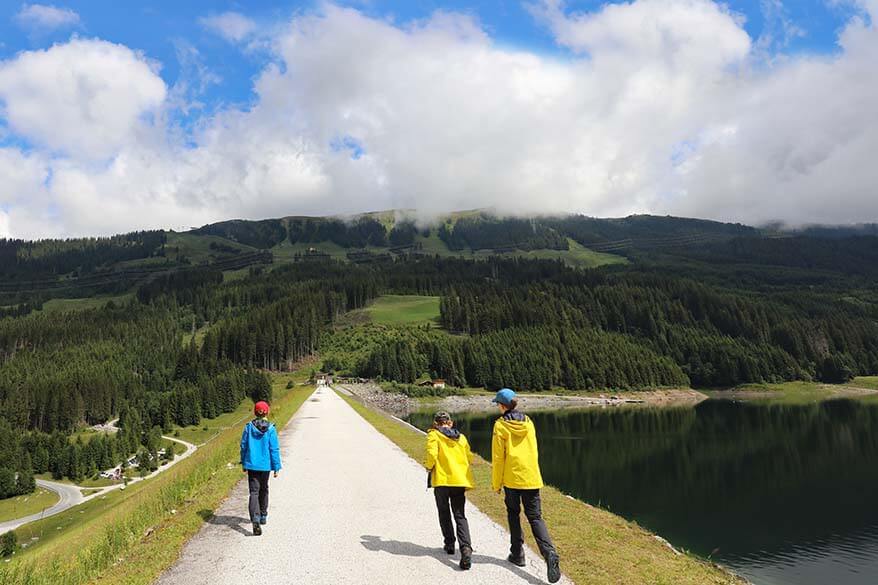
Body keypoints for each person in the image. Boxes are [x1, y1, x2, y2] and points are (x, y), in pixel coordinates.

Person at [491, 388, 561, 584]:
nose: (497, 407)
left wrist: (497, 483)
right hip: (530, 477)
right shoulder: (529, 422)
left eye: (497, 403)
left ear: (502, 405)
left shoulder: (500, 426)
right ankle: (549, 553)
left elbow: (498, 458)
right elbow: (534, 449)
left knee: (513, 514)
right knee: (535, 517)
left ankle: (517, 554)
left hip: (512, 479)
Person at [423, 411, 475, 570]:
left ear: (436, 424)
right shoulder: (462, 437)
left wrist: (428, 466)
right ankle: (466, 548)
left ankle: (450, 543)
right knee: (460, 515)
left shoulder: (434, 435)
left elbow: (432, 454)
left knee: (444, 512)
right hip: (459, 481)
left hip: (442, 480)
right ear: (450, 423)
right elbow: (469, 457)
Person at [240, 400, 282, 536]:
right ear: (267, 412)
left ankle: (255, 520)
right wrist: (276, 467)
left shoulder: (248, 427)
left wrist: (243, 462)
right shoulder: (271, 429)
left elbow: (243, 446)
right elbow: (274, 449)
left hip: (252, 464)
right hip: (265, 466)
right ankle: (263, 515)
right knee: (264, 489)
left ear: (255, 412)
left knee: (254, 492)